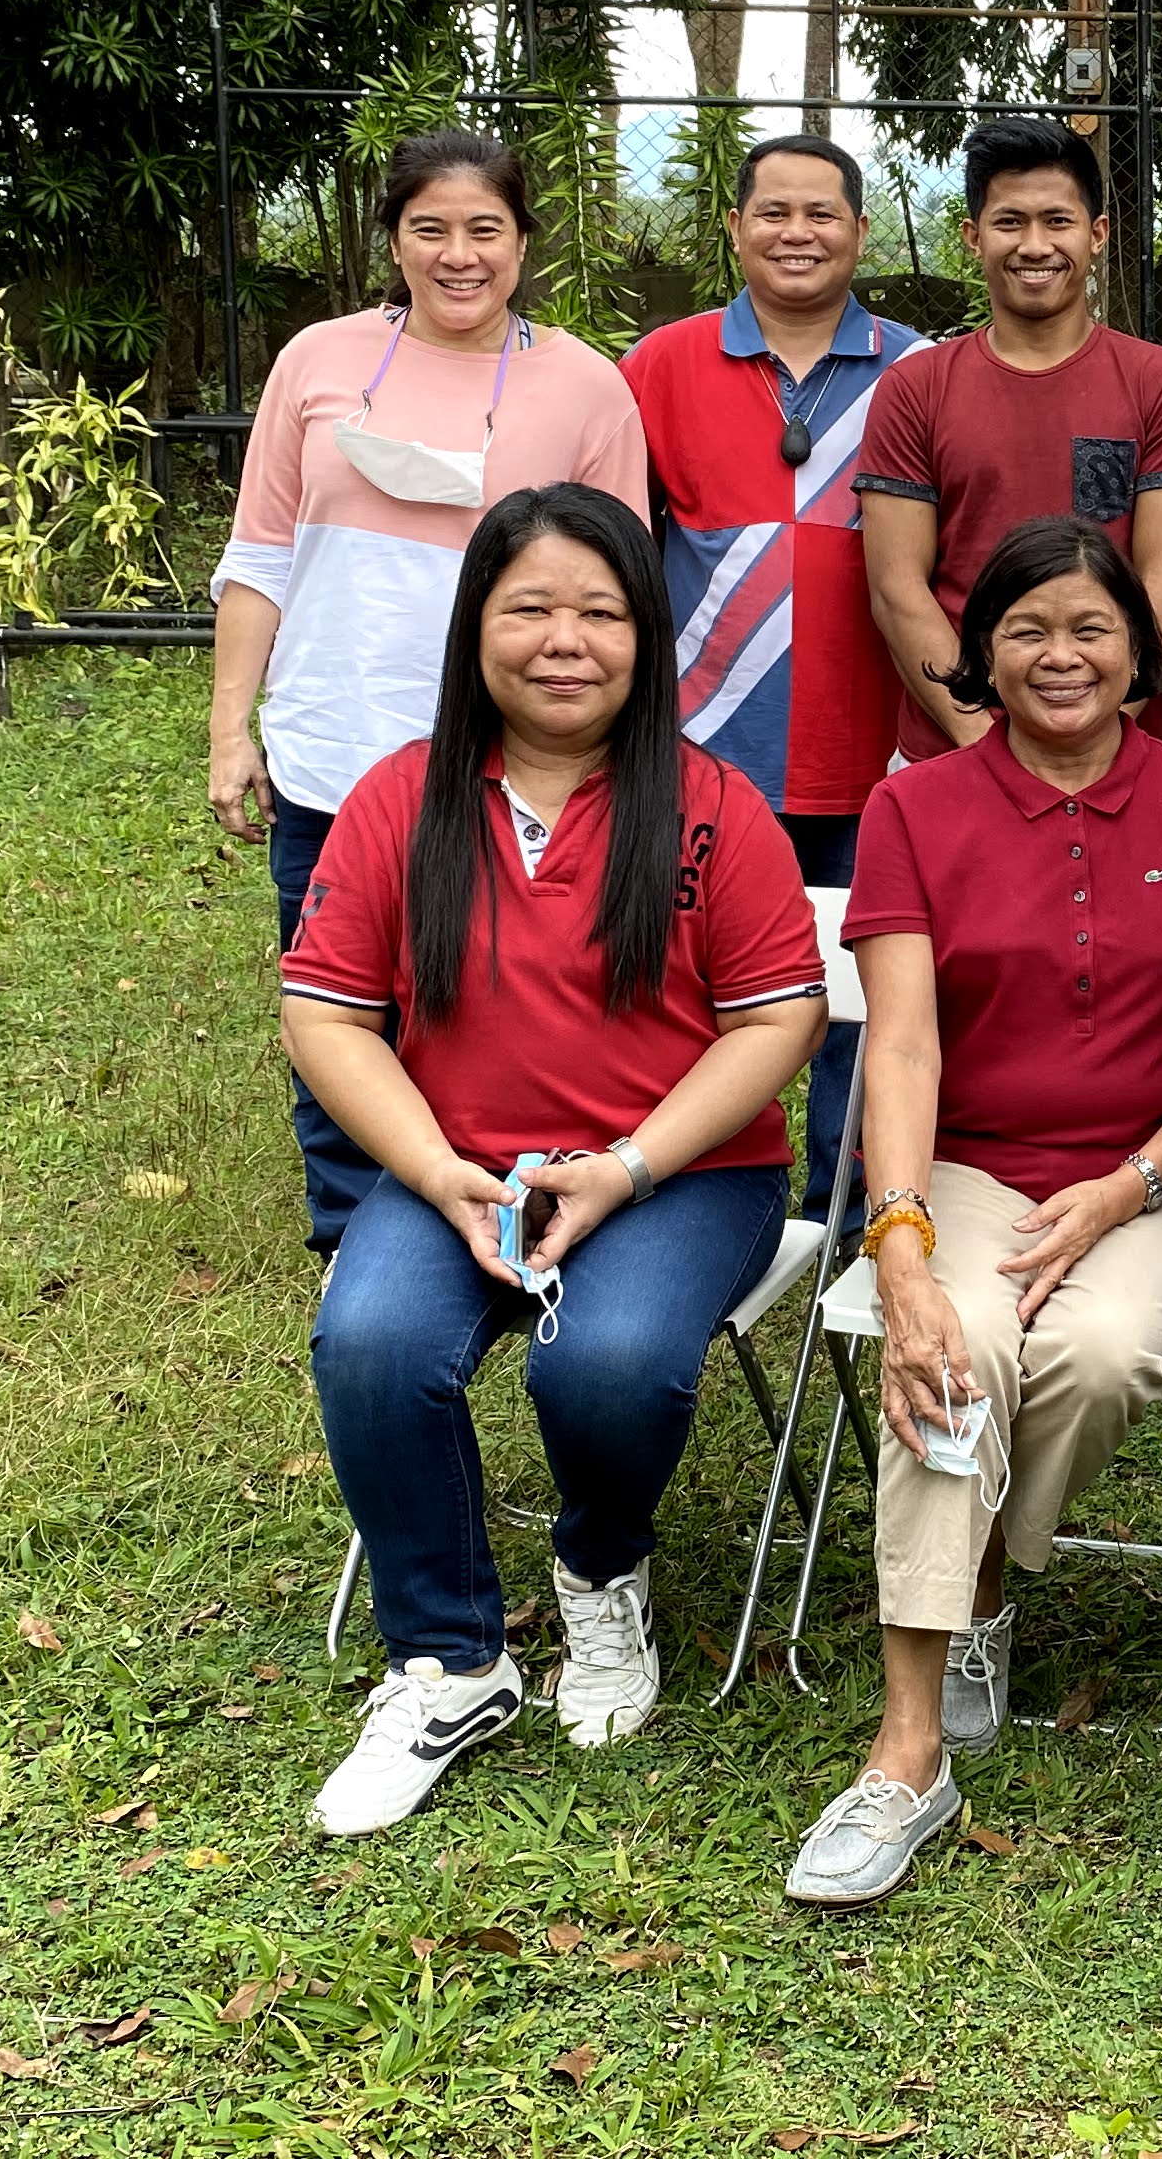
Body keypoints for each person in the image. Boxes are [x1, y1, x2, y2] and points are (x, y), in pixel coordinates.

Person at [280, 483, 829, 1836]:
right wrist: (433, 1171)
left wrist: (627, 1168)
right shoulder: (401, 800)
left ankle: (599, 1565)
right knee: (372, 1342)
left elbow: (779, 1022)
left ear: (646, 636)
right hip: (460, 1168)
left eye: (601, 611)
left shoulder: (711, 808)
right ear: (476, 626)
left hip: (680, 1176)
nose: (564, 640)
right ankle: (449, 1659)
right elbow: (326, 1014)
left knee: (608, 1363)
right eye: (529, 608)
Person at [786, 518, 1162, 1908]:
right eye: (1027, 630)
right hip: (965, 1166)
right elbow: (900, 1047)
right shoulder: (914, 809)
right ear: (981, 656)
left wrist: (1128, 1184)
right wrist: (900, 1244)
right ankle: (908, 1754)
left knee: (1101, 1350)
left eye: (1092, 629)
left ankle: (982, 1576)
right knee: (956, 1354)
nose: (1061, 656)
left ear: (1141, 651)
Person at [214, 131, 650, 1248]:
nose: (460, 255)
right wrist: (230, 729)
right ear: (394, 240)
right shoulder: (317, 360)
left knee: (486, 994)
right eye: (431, 229)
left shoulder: (585, 386)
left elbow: (623, 589)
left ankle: (504, 1197)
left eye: (485, 229)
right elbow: (260, 553)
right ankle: (353, 1226)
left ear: (523, 242)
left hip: (511, 758)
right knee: (336, 995)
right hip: (331, 743)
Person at [622, 131, 928, 1203]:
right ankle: (690, 1186)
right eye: (774, 213)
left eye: (822, 213)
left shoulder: (920, 370)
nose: (798, 233)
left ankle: (849, 1206)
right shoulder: (660, 364)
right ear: (735, 227)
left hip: (877, 745)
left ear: (861, 230)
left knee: (874, 988)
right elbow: (618, 549)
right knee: (688, 978)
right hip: (703, 742)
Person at [859, 118, 1162, 759]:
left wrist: (1093, 736)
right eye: (1009, 222)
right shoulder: (915, 388)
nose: (1034, 245)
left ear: (1096, 234)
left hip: (1121, 749)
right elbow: (897, 589)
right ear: (973, 237)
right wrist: (986, 746)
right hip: (951, 750)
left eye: (1057, 221)